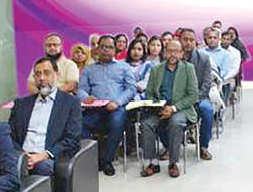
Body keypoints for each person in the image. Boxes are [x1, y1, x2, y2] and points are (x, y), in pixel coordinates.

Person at [9, 57, 82, 176]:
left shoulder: (70, 103)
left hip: (46, 157)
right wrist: (22, 156)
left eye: (47, 73)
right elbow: (10, 135)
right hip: (21, 155)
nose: (42, 78)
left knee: (41, 168)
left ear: (56, 75)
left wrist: (43, 155)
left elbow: (72, 139)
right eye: (38, 74)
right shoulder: (21, 104)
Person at [139, 40, 199, 178]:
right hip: (160, 109)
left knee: (176, 123)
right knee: (146, 124)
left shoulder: (188, 68)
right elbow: (149, 94)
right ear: (165, 53)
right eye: (170, 51)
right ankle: (153, 163)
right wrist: (159, 106)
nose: (173, 54)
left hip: (181, 108)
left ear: (181, 54)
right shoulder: (156, 69)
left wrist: (173, 108)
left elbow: (193, 95)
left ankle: (173, 163)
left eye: (176, 51)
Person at [77, 35, 136, 176]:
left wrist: (117, 102)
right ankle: (91, 159)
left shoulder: (124, 67)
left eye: (109, 47)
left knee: (116, 122)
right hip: (95, 108)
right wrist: (85, 98)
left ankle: (107, 161)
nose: (105, 50)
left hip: (116, 108)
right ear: (97, 49)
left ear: (115, 50)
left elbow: (131, 89)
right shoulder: (89, 69)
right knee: (80, 124)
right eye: (102, 46)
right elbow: (81, 89)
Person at [180, 28, 214, 160]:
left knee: (207, 110)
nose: (188, 43)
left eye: (191, 40)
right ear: (180, 40)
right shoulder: (174, 58)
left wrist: (194, 98)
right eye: (185, 39)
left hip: (199, 97)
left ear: (196, 42)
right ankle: (168, 146)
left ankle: (203, 146)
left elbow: (207, 82)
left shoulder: (204, 58)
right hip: (178, 98)